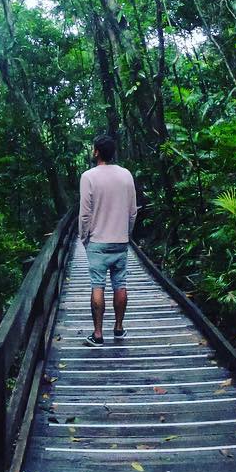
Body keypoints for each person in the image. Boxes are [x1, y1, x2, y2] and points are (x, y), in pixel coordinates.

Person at [78, 134, 138, 346]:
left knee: (97, 285)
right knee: (120, 284)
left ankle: (98, 334)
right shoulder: (126, 175)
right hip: (120, 240)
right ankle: (119, 329)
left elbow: (84, 214)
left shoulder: (88, 177)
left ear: (96, 152)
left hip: (98, 241)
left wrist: (84, 237)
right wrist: (126, 234)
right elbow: (132, 212)